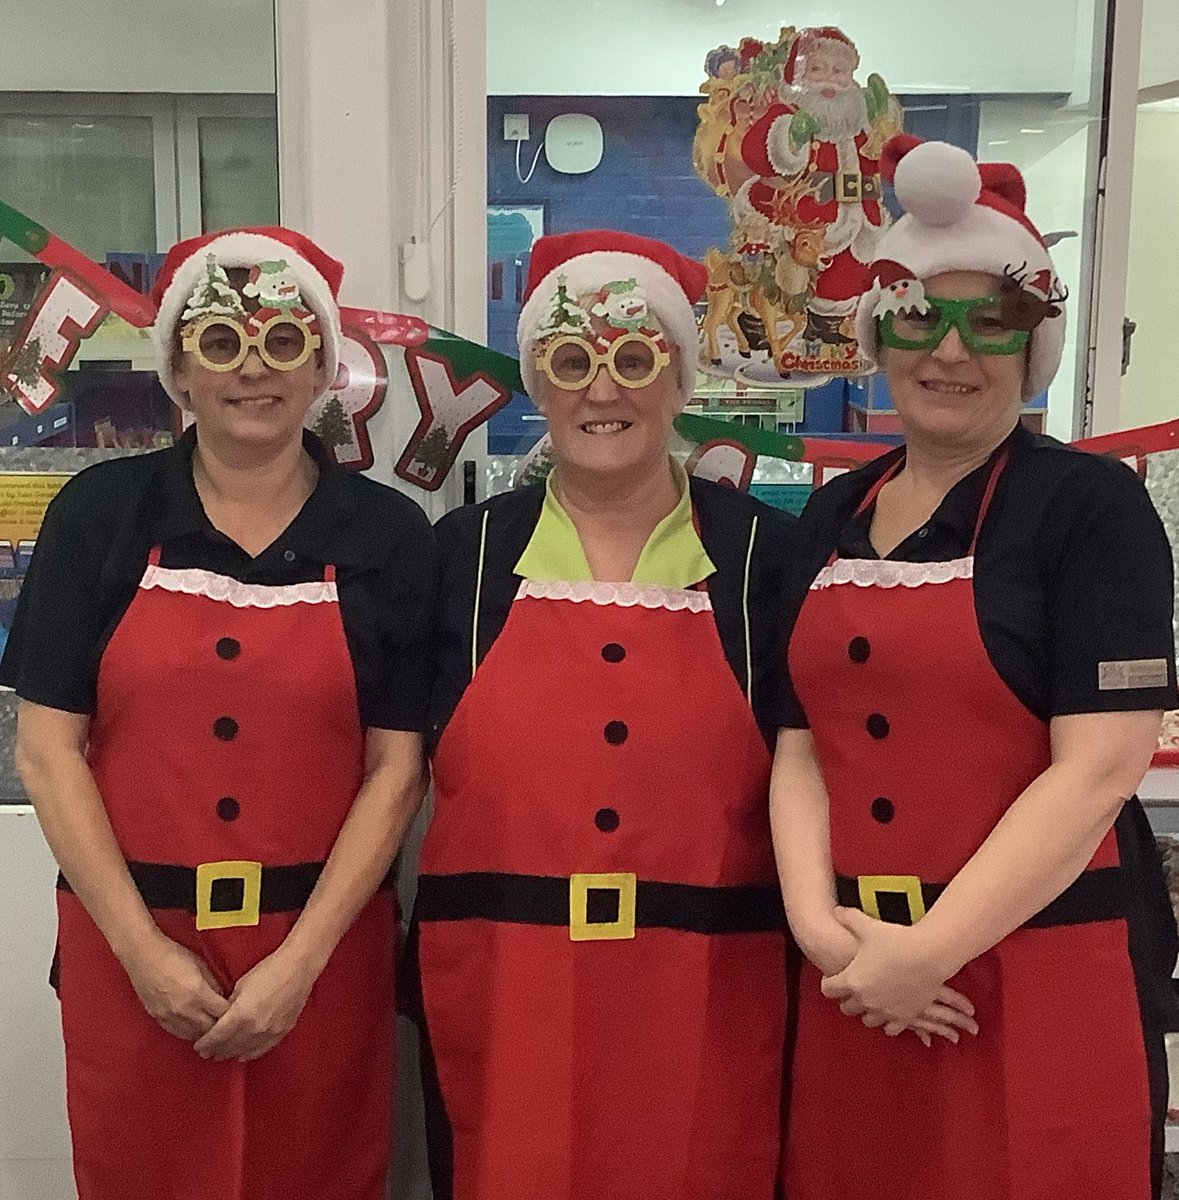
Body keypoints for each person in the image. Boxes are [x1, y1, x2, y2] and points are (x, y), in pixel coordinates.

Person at [772, 135, 1179, 1200]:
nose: (949, 352)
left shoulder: (1093, 510)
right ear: (883, 332)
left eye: (988, 322)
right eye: (920, 316)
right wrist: (828, 936)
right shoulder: (829, 513)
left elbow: (1097, 769)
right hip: (857, 972)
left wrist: (928, 952)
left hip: (1035, 967)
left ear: (1029, 344)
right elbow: (801, 741)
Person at [1, 227, 437, 1200]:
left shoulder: (386, 538)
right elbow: (48, 752)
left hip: (316, 962)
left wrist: (301, 962)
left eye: (285, 342)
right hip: (133, 956)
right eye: (222, 342)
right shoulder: (98, 518)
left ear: (323, 366)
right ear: (179, 369)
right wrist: (142, 952)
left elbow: (396, 769)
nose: (254, 370)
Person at [410, 230, 795, 1200]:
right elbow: (383, 772)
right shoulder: (460, 560)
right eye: (573, 361)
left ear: (681, 381)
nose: (603, 392)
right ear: (538, 379)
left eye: (636, 359)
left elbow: (813, 773)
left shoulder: (767, 563)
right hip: (504, 991)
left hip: (708, 994)